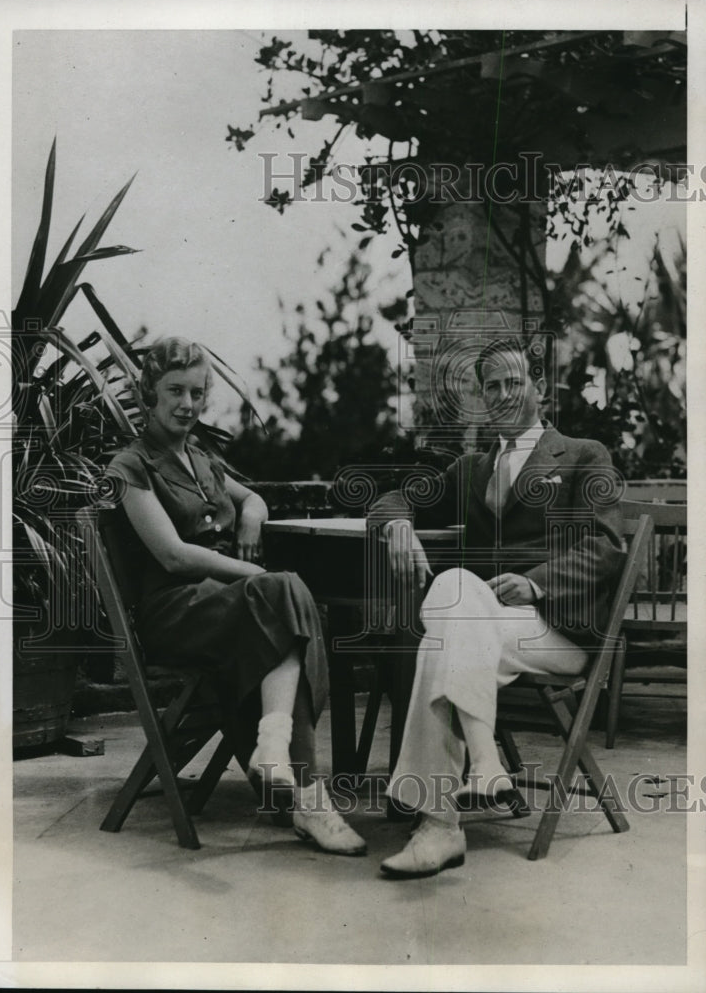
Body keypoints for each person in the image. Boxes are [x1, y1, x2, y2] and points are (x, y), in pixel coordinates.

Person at [366, 336, 625, 879]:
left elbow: (605, 546)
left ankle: (440, 821)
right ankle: (480, 771)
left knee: (449, 612)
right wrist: (396, 525)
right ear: (482, 396)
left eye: (514, 382)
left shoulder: (583, 454)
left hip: (558, 628)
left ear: (540, 388)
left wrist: (535, 584)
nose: (504, 394)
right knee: (454, 596)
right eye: (492, 386)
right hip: (483, 631)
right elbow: (395, 496)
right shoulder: (469, 469)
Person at [106, 336, 366, 856]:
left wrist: (251, 511)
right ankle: (302, 787)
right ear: (147, 395)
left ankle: (283, 760)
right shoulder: (130, 467)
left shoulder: (202, 458)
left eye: (197, 392)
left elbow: (252, 497)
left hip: (228, 606)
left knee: (300, 608)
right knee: (290, 593)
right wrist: (249, 571)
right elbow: (174, 556)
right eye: (175, 391)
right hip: (176, 611)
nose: (187, 404)